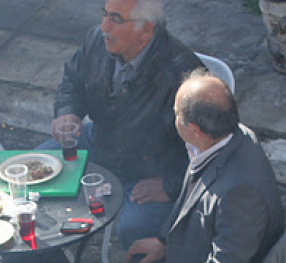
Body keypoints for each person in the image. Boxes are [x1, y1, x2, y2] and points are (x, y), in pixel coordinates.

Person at [111, 71, 285, 263]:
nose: (173, 119)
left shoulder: (241, 190)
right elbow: (190, 197)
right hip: (193, 254)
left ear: (193, 128)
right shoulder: (219, 141)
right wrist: (164, 241)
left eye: (176, 114)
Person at [51, 0, 201, 247]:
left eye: (116, 20)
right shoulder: (98, 41)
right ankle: (44, 258)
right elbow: (72, 81)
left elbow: (211, 146)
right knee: (36, 171)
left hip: (149, 169)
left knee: (135, 228)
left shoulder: (182, 74)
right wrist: (68, 112)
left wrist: (172, 185)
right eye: (104, 15)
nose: (104, 26)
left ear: (146, 30)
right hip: (100, 140)